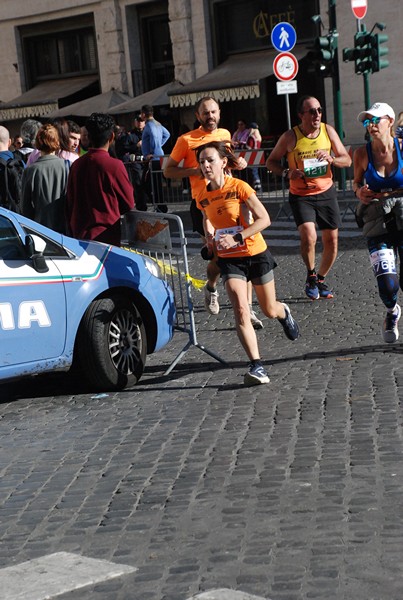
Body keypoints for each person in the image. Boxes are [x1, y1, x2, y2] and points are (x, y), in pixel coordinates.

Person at [195, 141, 299, 385]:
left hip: (256, 253)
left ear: (223, 163)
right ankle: (257, 366)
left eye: (210, 160)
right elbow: (206, 219)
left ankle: (284, 312)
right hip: (230, 260)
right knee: (241, 309)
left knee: (269, 310)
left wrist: (238, 236)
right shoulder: (202, 195)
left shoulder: (240, 187)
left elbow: (264, 219)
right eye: (201, 162)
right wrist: (211, 238)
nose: (205, 165)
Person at [163, 97, 263, 326]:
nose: (210, 116)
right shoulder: (186, 140)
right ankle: (211, 286)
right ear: (198, 116)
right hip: (204, 206)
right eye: (205, 113)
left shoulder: (225, 134)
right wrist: (196, 171)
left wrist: (238, 163)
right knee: (219, 258)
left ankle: (248, 309)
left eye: (214, 112)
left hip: (231, 202)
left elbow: (226, 162)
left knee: (243, 253)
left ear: (219, 113)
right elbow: (168, 171)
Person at [266, 95, 352, 300]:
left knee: (332, 240)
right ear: (300, 115)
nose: (317, 115)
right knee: (309, 236)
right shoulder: (289, 137)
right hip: (301, 195)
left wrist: (332, 158)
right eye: (312, 111)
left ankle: (320, 279)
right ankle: (311, 273)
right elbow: (271, 162)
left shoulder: (327, 131)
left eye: (319, 110)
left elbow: (346, 159)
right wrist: (287, 173)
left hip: (326, 192)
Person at [353, 102, 403, 343]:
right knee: (388, 284)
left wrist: (391, 193)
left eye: (376, 120)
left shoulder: (402, 148)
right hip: (376, 222)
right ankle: (392, 312)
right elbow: (355, 183)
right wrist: (359, 192)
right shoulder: (362, 154)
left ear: (390, 121)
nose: (371, 125)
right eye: (367, 121)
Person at [66, 112, 134, 246]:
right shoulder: (114, 165)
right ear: (112, 137)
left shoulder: (76, 165)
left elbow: (69, 201)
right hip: (106, 236)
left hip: (79, 235)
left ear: (89, 137)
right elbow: (128, 203)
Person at [21, 123, 69, 232]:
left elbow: (25, 208)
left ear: (37, 143)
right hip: (65, 231)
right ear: (57, 142)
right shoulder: (67, 166)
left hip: (40, 230)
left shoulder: (30, 170)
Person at [140, 104, 170, 208]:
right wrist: (159, 146)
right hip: (158, 156)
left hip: (153, 158)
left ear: (143, 114)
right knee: (156, 183)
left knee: (147, 183)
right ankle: (161, 206)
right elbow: (167, 134)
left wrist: (153, 150)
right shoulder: (158, 124)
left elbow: (153, 135)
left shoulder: (149, 125)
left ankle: (160, 206)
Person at [246, 121, 262, 191]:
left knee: (253, 172)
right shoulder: (258, 137)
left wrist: (245, 146)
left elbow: (249, 147)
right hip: (257, 155)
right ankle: (259, 187)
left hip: (252, 156)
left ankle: (257, 188)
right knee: (256, 171)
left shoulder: (251, 137)